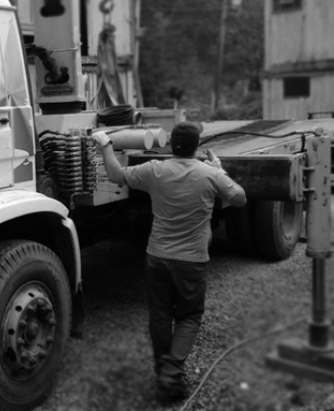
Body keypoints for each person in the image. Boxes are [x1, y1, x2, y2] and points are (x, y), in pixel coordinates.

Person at [92, 122, 247, 403]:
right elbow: (239, 198)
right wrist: (219, 169)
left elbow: (115, 175)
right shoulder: (209, 174)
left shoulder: (154, 170)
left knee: (160, 316)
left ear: (169, 145)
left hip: (157, 258)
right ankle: (171, 373)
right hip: (192, 261)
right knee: (189, 316)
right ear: (197, 147)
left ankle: (161, 369)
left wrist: (105, 145)